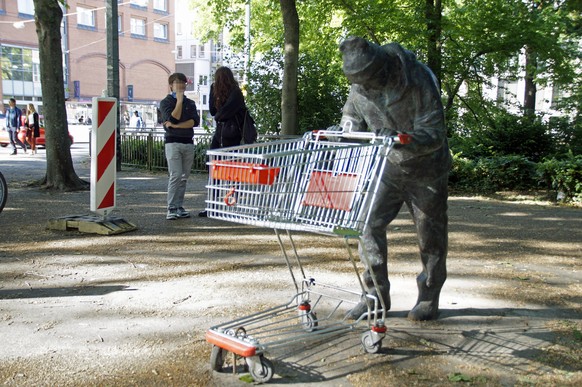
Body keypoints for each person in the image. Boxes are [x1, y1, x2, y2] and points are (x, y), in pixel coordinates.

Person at [335, 37, 451, 321]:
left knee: (430, 237)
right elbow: (351, 118)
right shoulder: (360, 86)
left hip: (427, 171)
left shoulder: (419, 78)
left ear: (381, 68)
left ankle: (428, 294)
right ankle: (374, 296)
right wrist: (341, 133)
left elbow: (434, 132)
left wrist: (403, 140)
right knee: (366, 226)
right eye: (359, 82)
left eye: (368, 80)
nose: (364, 87)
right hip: (386, 169)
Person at [199, 66, 256, 217]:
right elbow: (215, 111)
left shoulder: (235, 92)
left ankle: (217, 202)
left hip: (226, 133)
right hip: (229, 134)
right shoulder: (232, 91)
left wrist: (218, 114)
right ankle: (224, 201)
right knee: (227, 167)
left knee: (221, 167)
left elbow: (218, 114)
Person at [159, 72, 200, 220]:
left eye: (183, 83)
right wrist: (179, 101)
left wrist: (176, 126)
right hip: (173, 143)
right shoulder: (165, 102)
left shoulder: (191, 103)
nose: (181, 86)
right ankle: (171, 207)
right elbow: (172, 118)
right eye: (177, 83)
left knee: (184, 177)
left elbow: (194, 122)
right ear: (171, 85)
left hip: (188, 142)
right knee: (175, 175)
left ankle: (179, 206)